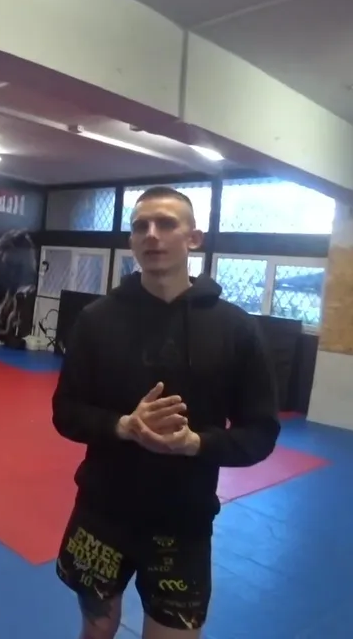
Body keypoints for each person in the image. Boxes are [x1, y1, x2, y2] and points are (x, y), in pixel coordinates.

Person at [51, 186, 280, 639]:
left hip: (184, 520)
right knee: (97, 627)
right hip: (101, 511)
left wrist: (196, 444)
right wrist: (123, 426)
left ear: (194, 238)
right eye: (141, 226)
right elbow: (66, 411)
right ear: (132, 241)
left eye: (166, 224)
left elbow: (260, 432)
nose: (152, 234)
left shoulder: (236, 329)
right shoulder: (97, 320)